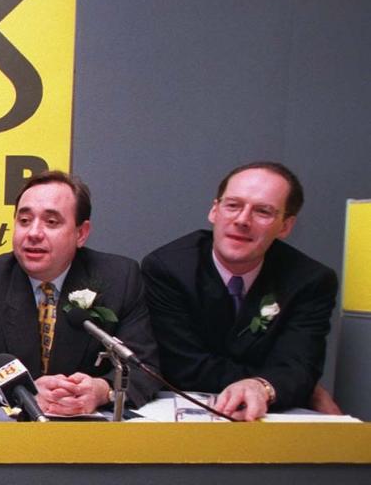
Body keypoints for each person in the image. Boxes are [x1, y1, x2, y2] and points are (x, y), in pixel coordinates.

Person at [0, 171, 160, 415]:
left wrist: (103, 389)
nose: (34, 233)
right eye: (24, 220)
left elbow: (144, 367)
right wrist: (24, 391)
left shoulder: (119, 278)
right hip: (6, 436)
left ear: (81, 233)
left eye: (51, 222)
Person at [142, 161, 339, 421]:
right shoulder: (168, 268)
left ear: (285, 226)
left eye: (263, 211)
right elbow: (182, 368)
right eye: (233, 205)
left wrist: (264, 386)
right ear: (214, 211)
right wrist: (280, 383)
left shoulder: (310, 281)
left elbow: (300, 364)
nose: (242, 220)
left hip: (269, 419)